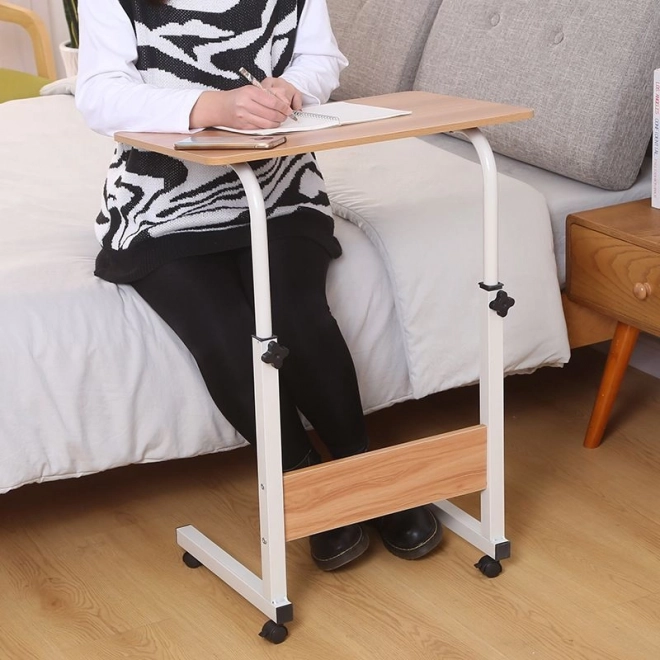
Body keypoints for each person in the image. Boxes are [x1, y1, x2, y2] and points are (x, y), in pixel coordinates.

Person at [76, 0, 442, 570]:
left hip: (279, 188)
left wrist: (292, 89)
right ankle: (304, 482)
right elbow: (98, 95)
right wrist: (211, 105)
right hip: (162, 204)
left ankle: (362, 471)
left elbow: (321, 59)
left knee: (294, 312)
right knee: (223, 331)